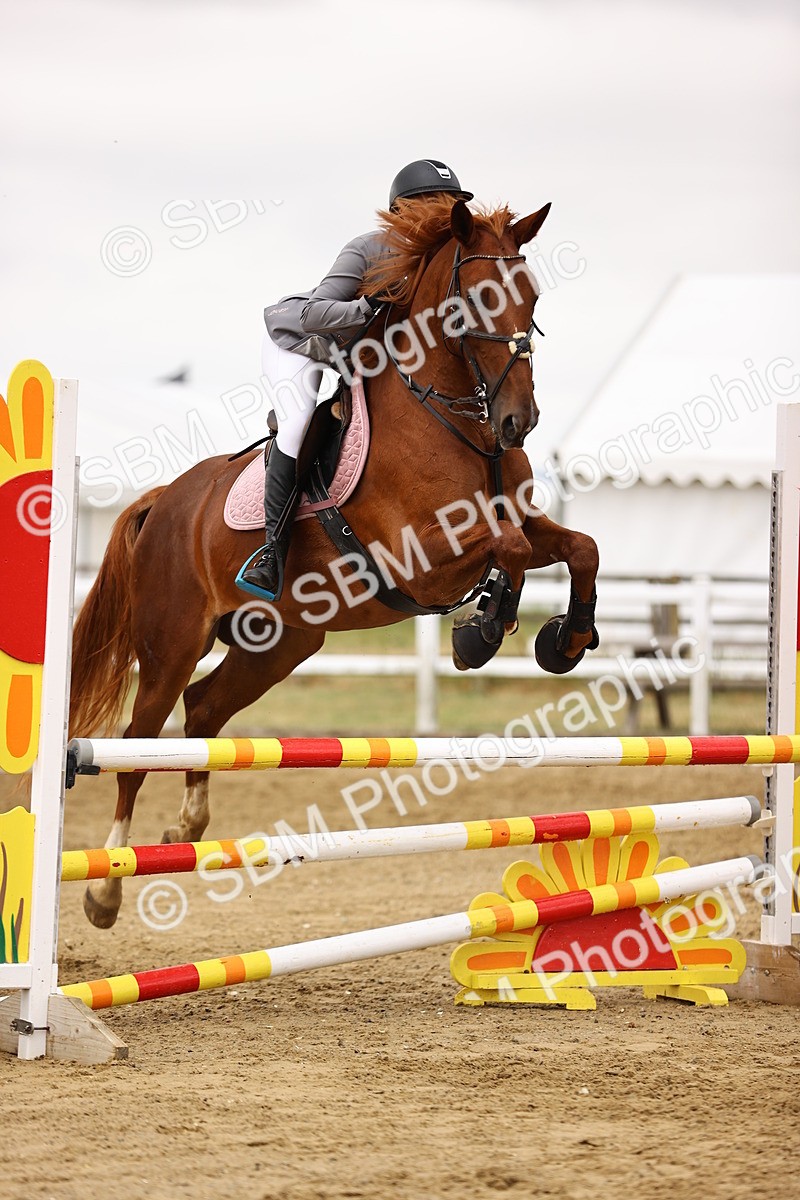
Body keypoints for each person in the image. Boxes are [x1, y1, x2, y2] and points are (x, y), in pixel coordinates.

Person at [236, 159, 473, 601]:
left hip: (361, 354)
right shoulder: (368, 248)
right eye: (430, 204)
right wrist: (368, 306)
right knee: (297, 423)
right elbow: (314, 313)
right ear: (401, 211)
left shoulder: (448, 263)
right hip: (301, 341)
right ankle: (272, 551)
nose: (442, 213)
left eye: (450, 204)